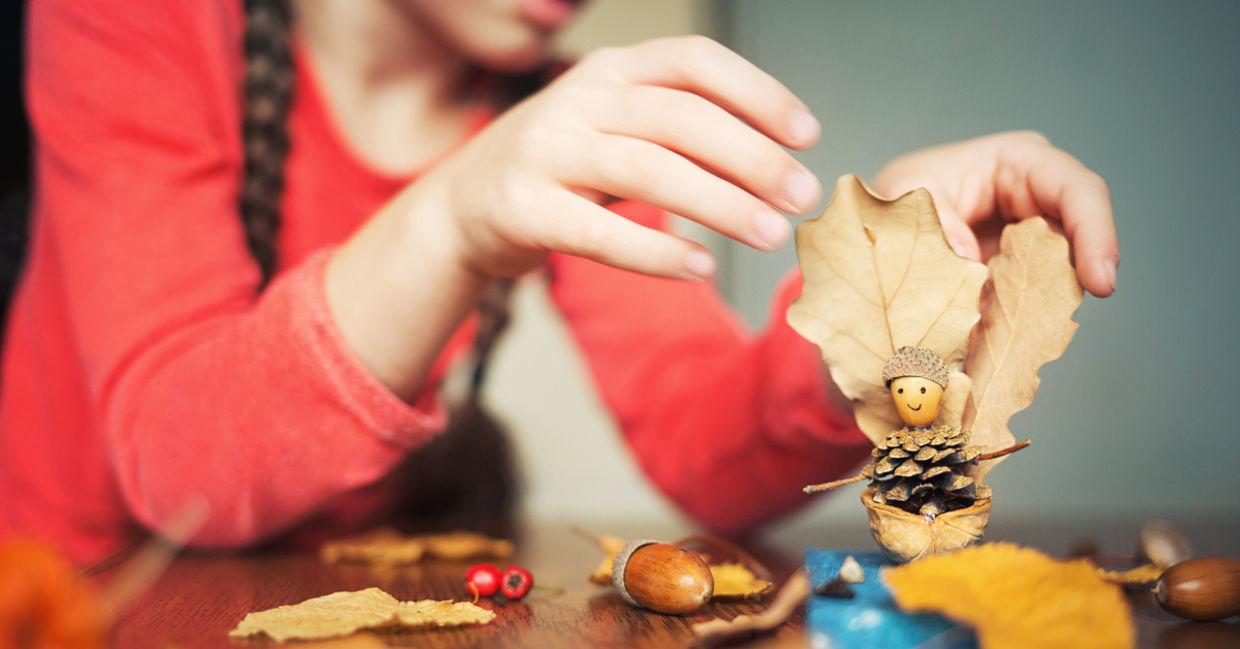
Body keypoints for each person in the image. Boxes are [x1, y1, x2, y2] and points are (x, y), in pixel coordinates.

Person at [0, 0, 1118, 565]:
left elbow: (710, 445)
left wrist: (892, 307)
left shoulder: (545, 116)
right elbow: (177, 464)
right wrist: (449, 217)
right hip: (66, 596)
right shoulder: (129, 22)